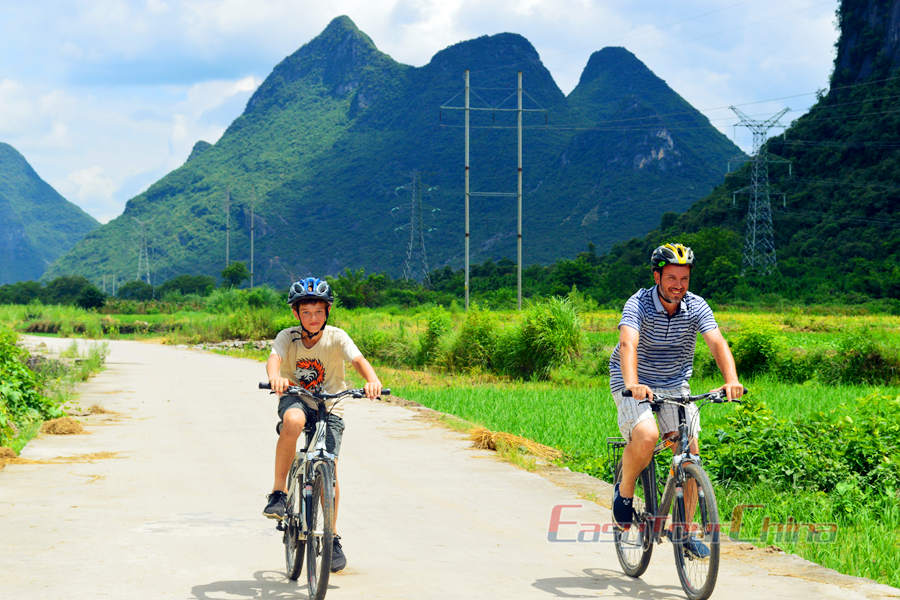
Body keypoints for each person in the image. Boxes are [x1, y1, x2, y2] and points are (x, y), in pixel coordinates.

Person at [607, 243, 743, 556]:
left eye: (684, 279)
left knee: (690, 448)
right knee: (647, 435)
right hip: (633, 380)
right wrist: (633, 384)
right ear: (657, 276)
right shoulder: (638, 304)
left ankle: (683, 532)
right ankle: (624, 492)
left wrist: (731, 380)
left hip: (673, 383)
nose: (678, 285)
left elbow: (716, 342)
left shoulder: (697, 306)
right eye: (671, 278)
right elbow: (628, 344)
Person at [263, 276, 383, 573]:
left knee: (329, 467)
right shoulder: (287, 337)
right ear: (296, 314)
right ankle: (278, 494)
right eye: (306, 312)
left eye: (318, 312)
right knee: (292, 421)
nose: (313, 318)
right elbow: (274, 359)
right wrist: (277, 378)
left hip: (331, 403)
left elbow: (358, 360)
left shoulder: (338, 336)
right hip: (297, 397)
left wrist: (372, 380)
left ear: (327, 312)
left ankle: (331, 536)